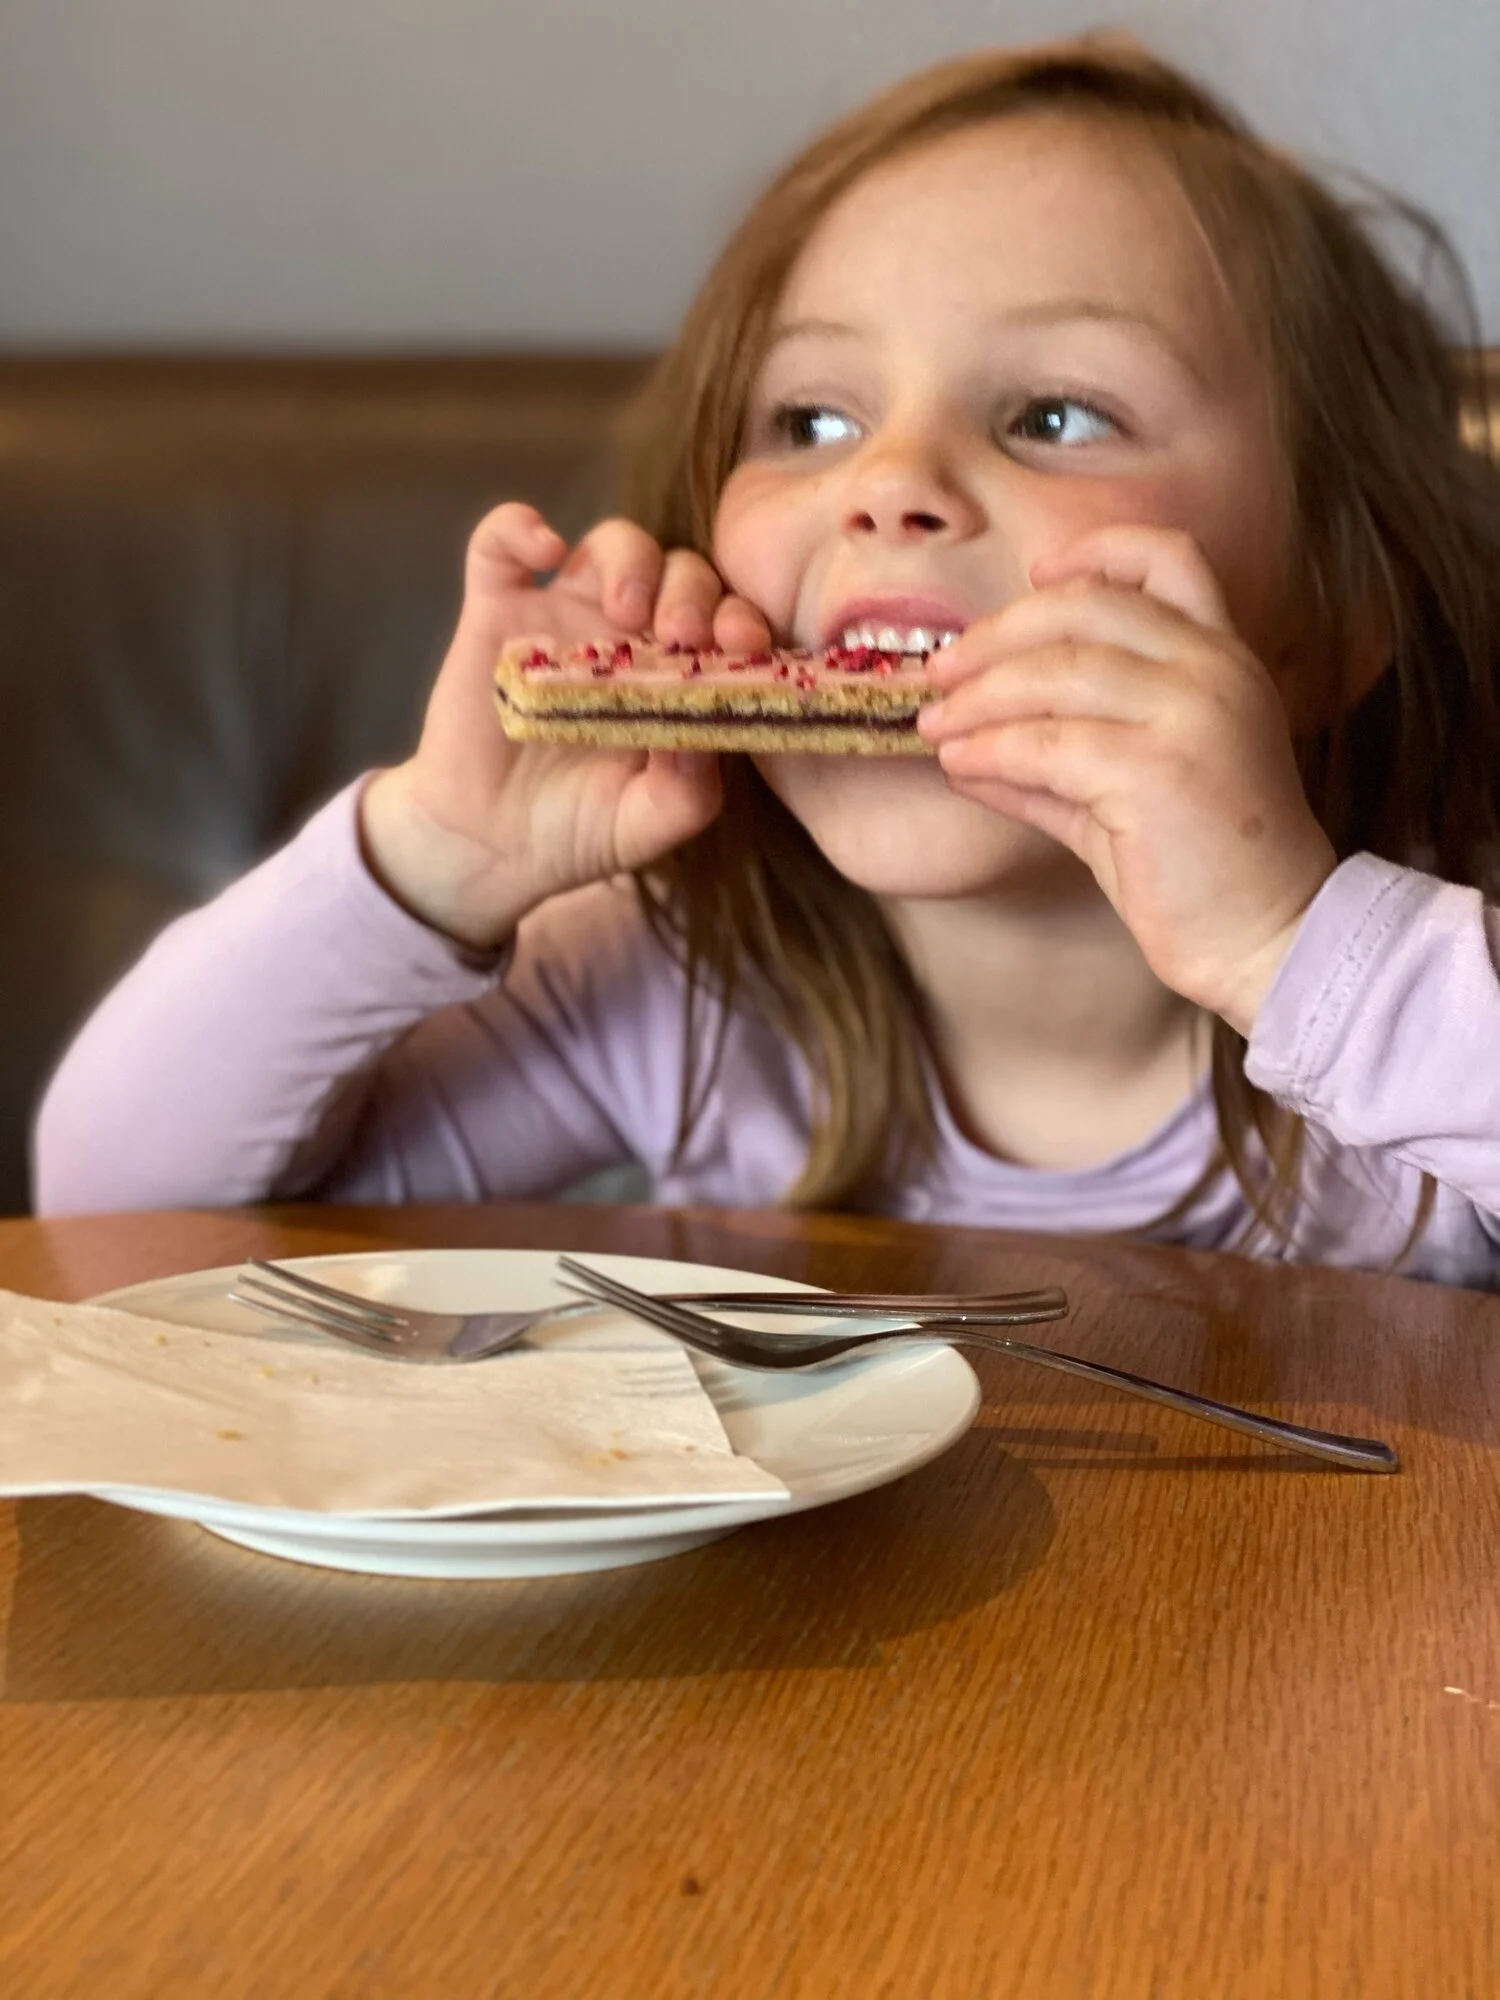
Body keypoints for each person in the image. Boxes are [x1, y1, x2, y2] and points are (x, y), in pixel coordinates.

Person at [33, 39, 1500, 1289]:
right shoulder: (684, 979)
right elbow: (121, 1204)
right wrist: (430, 854)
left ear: (1328, 618)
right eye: (810, 421)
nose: (893, 480)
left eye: (1056, 414)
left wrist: (1288, 945)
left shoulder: (1421, 994)